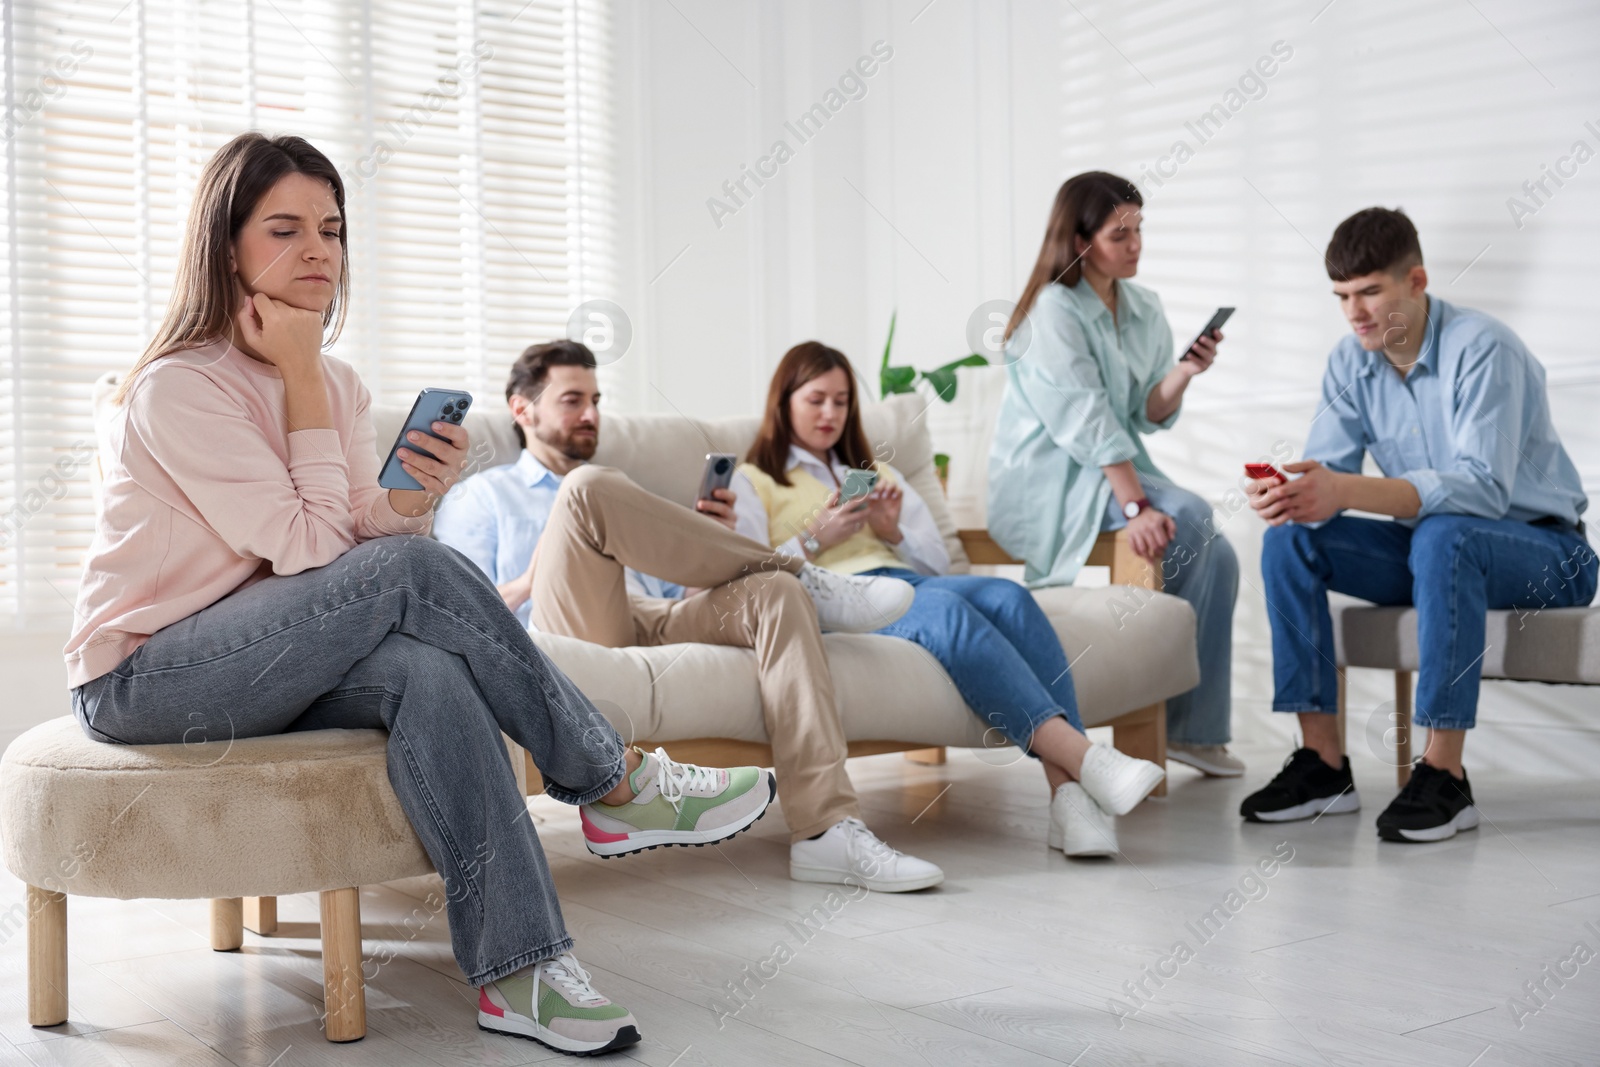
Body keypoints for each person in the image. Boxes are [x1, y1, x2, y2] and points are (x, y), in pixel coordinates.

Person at [64, 132, 780, 1056]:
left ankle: (521, 971)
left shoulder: (339, 382)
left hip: (268, 652)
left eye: (331, 228)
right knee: (408, 576)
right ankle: (610, 779)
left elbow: (356, 534)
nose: (319, 250)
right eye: (284, 229)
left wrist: (408, 499)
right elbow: (308, 549)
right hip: (147, 678)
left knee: (427, 672)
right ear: (225, 246)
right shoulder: (178, 389)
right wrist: (295, 377)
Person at [432, 340, 945, 892]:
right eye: (573, 400)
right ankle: (803, 567)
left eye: (597, 400)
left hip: (654, 615)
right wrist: (538, 574)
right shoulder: (482, 496)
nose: (591, 415)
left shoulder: (627, 491)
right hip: (564, 622)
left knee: (774, 594)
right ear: (521, 408)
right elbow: (467, 614)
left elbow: (679, 596)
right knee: (585, 488)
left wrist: (716, 545)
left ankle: (828, 833)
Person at [1240, 207, 1596, 841]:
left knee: (1446, 533)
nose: (1356, 311)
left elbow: (1482, 491)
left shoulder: (1484, 349)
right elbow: (1331, 470)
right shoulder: (1351, 362)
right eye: (1343, 296)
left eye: (1371, 290)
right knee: (1289, 539)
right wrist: (1293, 494)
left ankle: (1445, 776)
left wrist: (1342, 489)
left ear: (1416, 280)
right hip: (1430, 553)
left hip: (1549, 554)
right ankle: (1323, 764)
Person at [732, 341, 1167, 859]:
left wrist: (894, 533)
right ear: (784, 402)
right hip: (839, 598)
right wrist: (814, 537)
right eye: (816, 399)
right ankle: (1087, 761)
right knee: (948, 613)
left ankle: (1067, 794)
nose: (831, 413)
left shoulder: (876, 474)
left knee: (1007, 596)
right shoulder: (754, 480)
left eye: (842, 401)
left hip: (907, 579)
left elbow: (938, 566)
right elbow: (749, 576)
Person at [987, 170, 1243, 778]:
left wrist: (1185, 372)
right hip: (1056, 475)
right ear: (1080, 240)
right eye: (1118, 233)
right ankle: (1150, 719)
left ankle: (1190, 732)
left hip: (1114, 464)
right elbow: (1089, 420)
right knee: (1187, 516)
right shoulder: (1051, 310)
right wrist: (1135, 508)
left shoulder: (1143, 305)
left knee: (1222, 556)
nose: (1135, 245)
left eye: (1139, 230)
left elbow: (1146, 413)